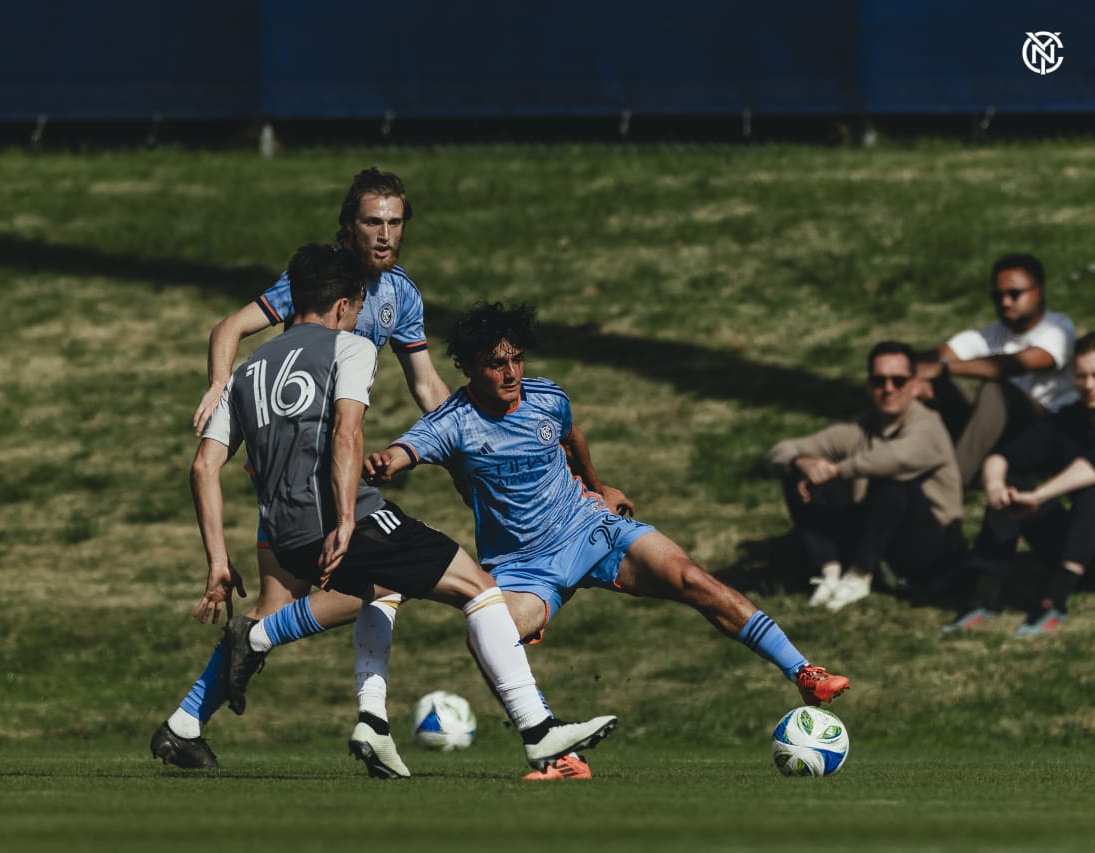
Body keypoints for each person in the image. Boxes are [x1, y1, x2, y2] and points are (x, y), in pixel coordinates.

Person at [156, 245, 617, 779]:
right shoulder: (347, 347)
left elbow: (203, 468)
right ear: (342, 306)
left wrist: (217, 561)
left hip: (281, 531)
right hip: (343, 517)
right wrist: (348, 520)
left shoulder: (244, 373)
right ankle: (540, 733)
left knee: (381, 589)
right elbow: (349, 432)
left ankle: (370, 722)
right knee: (479, 587)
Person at [364, 301, 850, 780]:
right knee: (486, 634)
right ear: (469, 367)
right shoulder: (453, 422)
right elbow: (406, 450)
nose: (511, 372)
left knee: (691, 578)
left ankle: (803, 672)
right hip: (524, 567)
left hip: (590, 530)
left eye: (517, 359)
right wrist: (386, 462)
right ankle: (556, 753)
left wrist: (598, 488)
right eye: (496, 363)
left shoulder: (547, 397)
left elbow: (572, 437)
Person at [153, 168, 448, 767]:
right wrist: (220, 383)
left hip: (306, 471)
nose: (385, 235)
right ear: (349, 228)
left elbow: (427, 386)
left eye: (394, 222)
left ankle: (183, 723)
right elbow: (231, 326)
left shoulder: (402, 295)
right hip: (309, 470)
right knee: (388, 582)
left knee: (272, 609)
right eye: (373, 222)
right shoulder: (318, 280)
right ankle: (374, 721)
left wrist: (462, 441)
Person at [766, 341, 963, 610]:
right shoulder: (861, 427)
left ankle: (860, 574)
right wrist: (802, 462)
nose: (889, 388)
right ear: (869, 385)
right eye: (879, 380)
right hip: (879, 532)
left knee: (891, 481)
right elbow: (781, 450)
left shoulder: (928, 425)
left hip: (931, 545)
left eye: (898, 380)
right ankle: (830, 574)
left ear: (914, 384)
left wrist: (835, 470)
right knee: (798, 475)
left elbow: (895, 458)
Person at [943, 332, 1095, 637]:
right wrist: (997, 487)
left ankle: (1055, 599)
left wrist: (1037, 496)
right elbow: (1003, 455)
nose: (1088, 385)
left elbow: (1088, 469)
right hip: (1083, 546)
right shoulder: (1070, 419)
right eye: (1081, 376)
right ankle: (985, 596)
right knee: (1010, 484)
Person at [914, 253, 1076, 487]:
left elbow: (1013, 365)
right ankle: (904, 465)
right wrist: (919, 374)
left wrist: (943, 369)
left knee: (994, 390)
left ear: (1038, 291)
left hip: (1046, 426)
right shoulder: (991, 333)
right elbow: (937, 356)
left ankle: (948, 487)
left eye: (1014, 294)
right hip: (997, 426)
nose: (1005, 302)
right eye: (997, 296)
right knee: (931, 385)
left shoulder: (1059, 328)